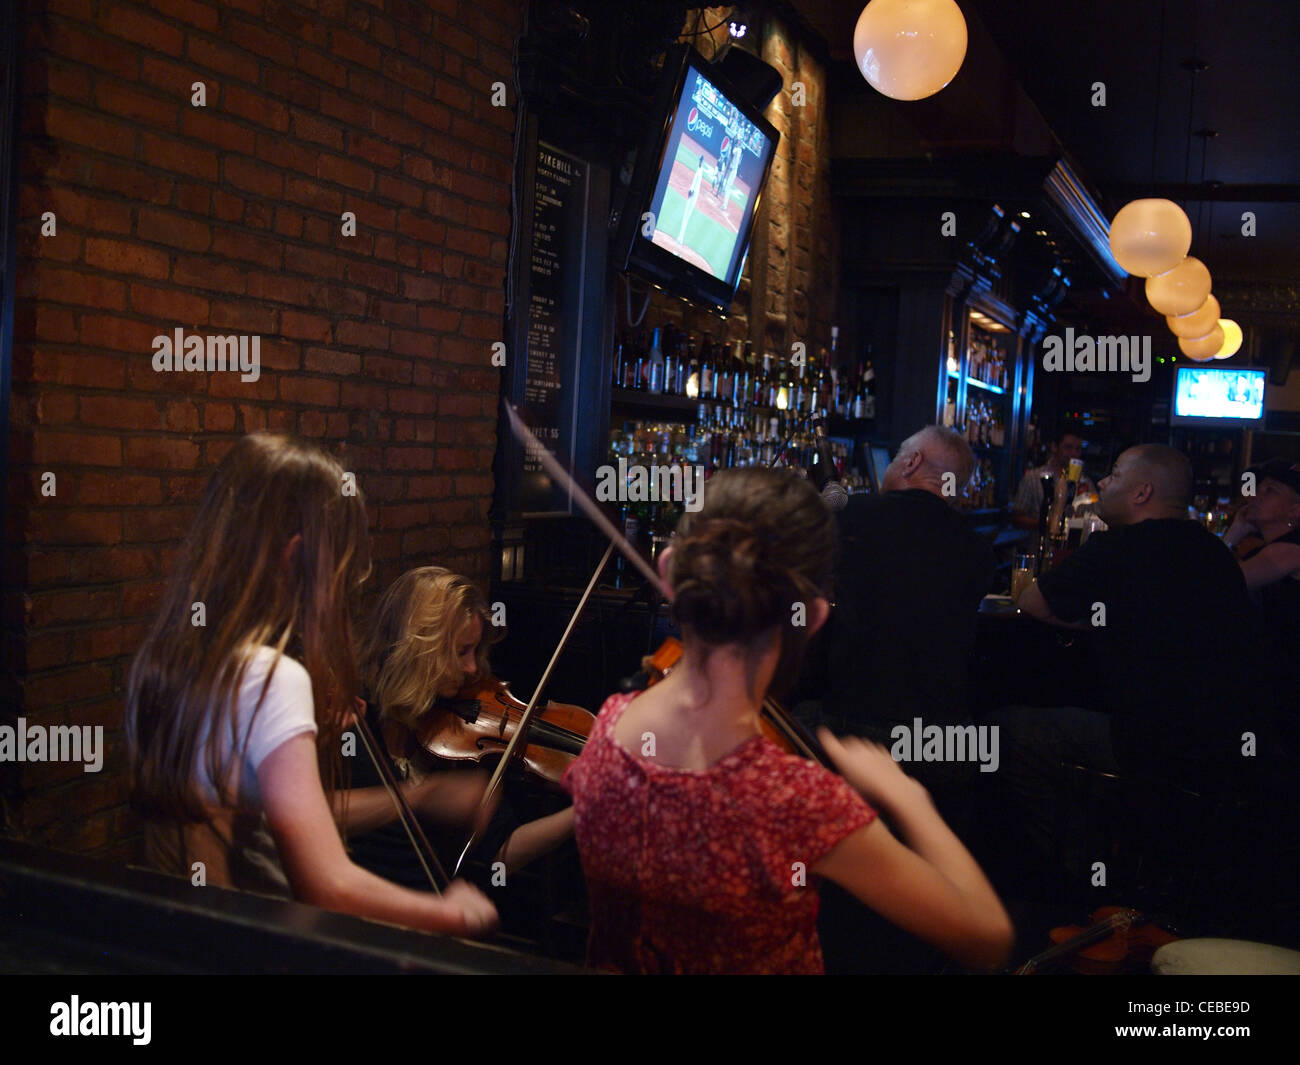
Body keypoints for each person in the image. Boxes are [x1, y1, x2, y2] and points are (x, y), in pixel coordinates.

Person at [562, 467, 1013, 975]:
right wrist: (911, 801)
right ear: (815, 617)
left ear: (667, 571)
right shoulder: (795, 802)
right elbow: (987, 938)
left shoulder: (606, 727)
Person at [126, 433, 497, 938]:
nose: (344, 590)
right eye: (342, 568)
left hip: (181, 939)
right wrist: (453, 913)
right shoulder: (271, 677)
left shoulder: (172, 657)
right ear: (296, 558)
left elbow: (233, 794)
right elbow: (328, 885)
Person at [1005, 444, 1263, 922]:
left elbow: (1033, 604)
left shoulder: (1116, 547)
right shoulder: (1217, 553)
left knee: (1014, 731)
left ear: (1142, 492)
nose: (1103, 482)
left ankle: (1069, 875)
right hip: (1223, 752)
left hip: (1146, 747)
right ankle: (1119, 862)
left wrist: (1088, 628)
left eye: (1115, 474)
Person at [347, 567, 574, 887]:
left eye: (474, 651)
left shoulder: (461, 738)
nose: (471, 669)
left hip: (434, 918)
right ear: (417, 651)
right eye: (460, 652)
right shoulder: (352, 724)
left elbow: (500, 853)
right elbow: (314, 817)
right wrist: (420, 796)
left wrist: (580, 815)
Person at [819, 426, 995, 817]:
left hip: (860, 733)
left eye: (900, 454)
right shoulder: (979, 547)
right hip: (947, 744)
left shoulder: (852, 516)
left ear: (912, 461)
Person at [1225, 459, 1300, 753]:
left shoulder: (1291, 551)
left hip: (1286, 694)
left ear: (1295, 511)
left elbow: (1213, 586)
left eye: (1269, 491)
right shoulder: (1266, 549)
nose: (1253, 494)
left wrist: (1233, 534)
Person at [1011, 426, 1097, 530]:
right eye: (1068, 447)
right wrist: (1047, 525)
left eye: (1078, 449)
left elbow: (1095, 516)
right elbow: (1017, 517)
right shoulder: (1033, 478)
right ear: (1054, 447)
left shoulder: (1085, 482)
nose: (1074, 453)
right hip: (1039, 543)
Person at [675, 152, 705, 245]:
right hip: (693, 194)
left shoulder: (700, 171)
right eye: (699, 160)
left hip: (693, 195)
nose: (699, 162)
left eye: (700, 160)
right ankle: (680, 237)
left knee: (686, 216)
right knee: (686, 216)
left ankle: (680, 238)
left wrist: (691, 191)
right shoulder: (699, 169)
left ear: (701, 161)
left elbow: (695, 184)